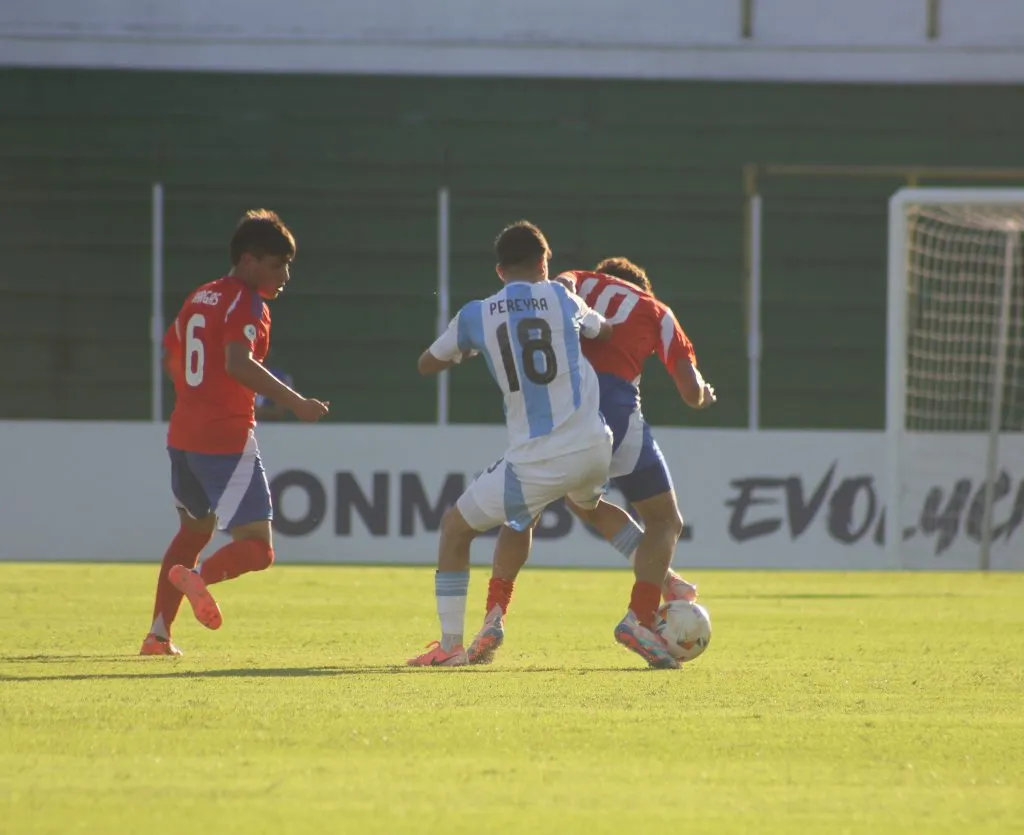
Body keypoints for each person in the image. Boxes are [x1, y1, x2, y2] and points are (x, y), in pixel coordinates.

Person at [466, 257, 716, 669]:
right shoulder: (656, 310)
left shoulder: (575, 281)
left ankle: (494, 615)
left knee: (534, 512)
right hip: (615, 410)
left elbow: (536, 297)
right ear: (643, 287)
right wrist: (705, 393)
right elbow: (690, 392)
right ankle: (640, 615)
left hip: (555, 412)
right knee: (664, 521)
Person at [406, 220, 615, 667]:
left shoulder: (475, 315)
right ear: (545, 262)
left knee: (454, 529)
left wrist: (465, 348)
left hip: (535, 459)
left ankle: (449, 645)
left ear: (499, 271)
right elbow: (605, 331)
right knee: (527, 520)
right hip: (596, 447)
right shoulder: (563, 296)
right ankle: (661, 586)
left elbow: (426, 363)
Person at [140, 209, 330, 656]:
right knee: (258, 550)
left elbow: (172, 351)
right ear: (250, 261)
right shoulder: (247, 303)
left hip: (183, 438)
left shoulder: (200, 296)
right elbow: (237, 362)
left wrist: (197, 395)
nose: (285, 274)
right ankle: (197, 581)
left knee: (192, 533)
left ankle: (157, 636)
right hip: (225, 441)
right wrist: (296, 402)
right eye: (277, 263)